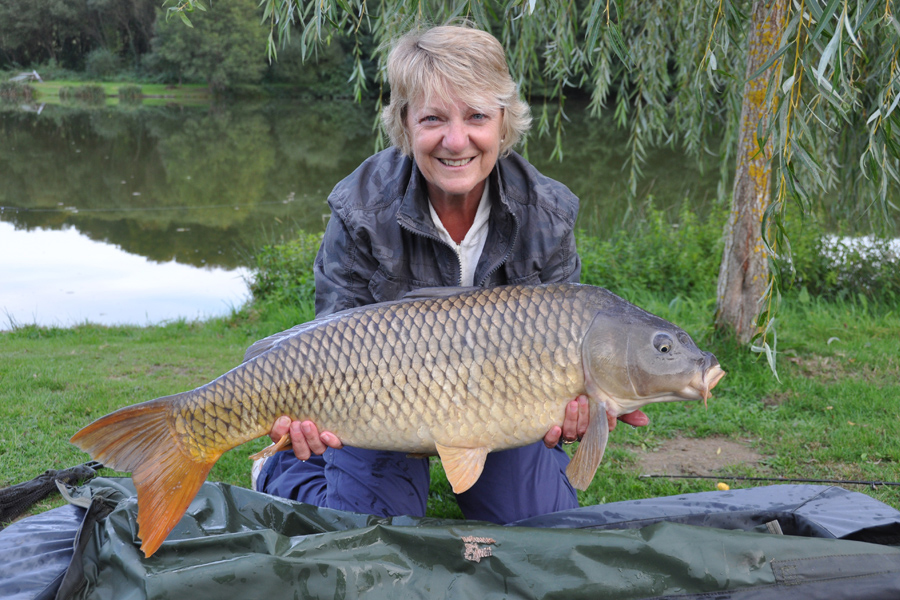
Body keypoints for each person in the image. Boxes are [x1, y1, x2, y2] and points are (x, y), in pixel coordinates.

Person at [254, 23, 647, 523]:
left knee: (538, 529)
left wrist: (575, 410)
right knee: (375, 532)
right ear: (405, 123)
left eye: (477, 116)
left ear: (504, 122)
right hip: (383, 410)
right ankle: (282, 469)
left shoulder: (547, 213)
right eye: (434, 118)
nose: (456, 140)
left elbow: (568, 340)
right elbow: (333, 341)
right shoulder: (360, 210)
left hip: (502, 412)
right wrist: (310, 416)